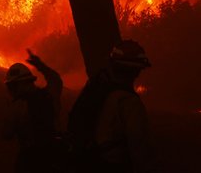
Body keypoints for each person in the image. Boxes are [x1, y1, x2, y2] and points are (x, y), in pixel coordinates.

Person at [67, 40, 157, 172]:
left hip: (88, 161)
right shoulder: (128, 102)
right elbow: (139, 146)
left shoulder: (97, 88)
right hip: (112, 166)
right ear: (137, 71)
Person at [2, 49, 64, 173]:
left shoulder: (18, 107)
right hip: (55, 156)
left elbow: (6, 134)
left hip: (31, 161)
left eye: (12, 86)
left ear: (21, 84)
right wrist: (40, 66)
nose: (11, 90)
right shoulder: (49, 95)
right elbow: (56, 80)